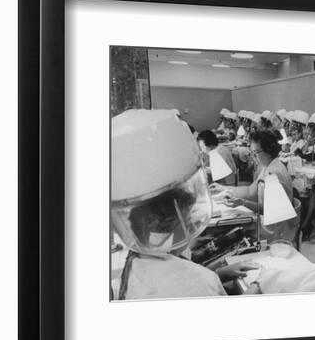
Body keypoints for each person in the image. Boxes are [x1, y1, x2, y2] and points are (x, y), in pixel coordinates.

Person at [111, 109, 259, 300]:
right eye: (189, 214)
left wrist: (220, 274)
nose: (191, 220)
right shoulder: (197, 283)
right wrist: (257, 288)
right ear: (177, 219)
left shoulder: (137, 260)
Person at [211, 130, 293, 211]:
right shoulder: (268, 166)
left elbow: (269, 210)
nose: (253, 156)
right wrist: (223, 188)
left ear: (267, 150)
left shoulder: (274, 173)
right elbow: (250, 191)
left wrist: (243, 203)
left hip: (274, 222)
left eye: (255, 152)